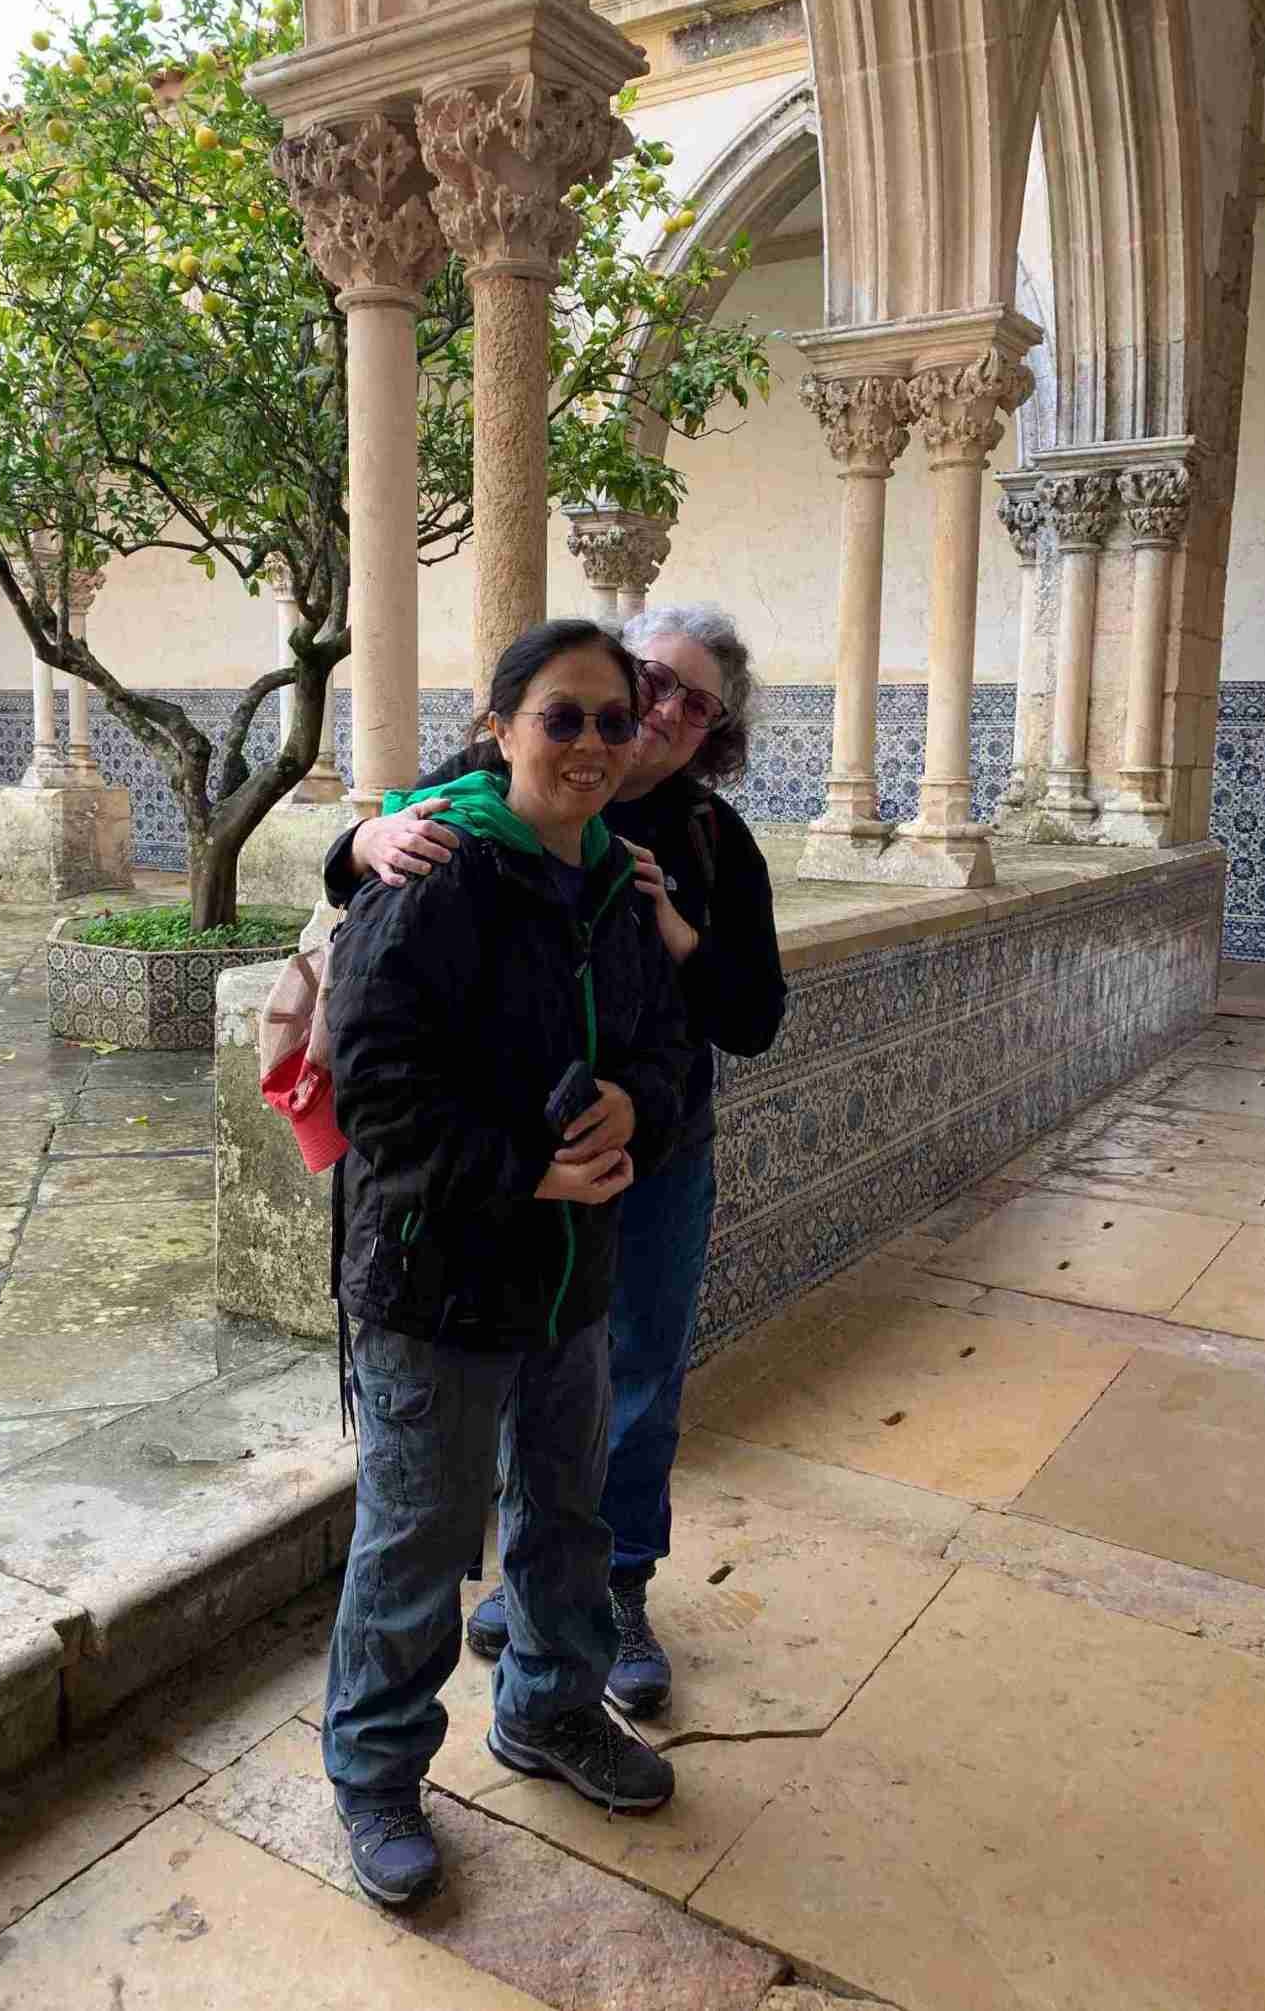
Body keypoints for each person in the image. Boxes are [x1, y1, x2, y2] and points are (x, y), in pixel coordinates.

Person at [327, 605, 786, 1719]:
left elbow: (741, 1016)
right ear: (514, 727)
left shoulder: (703, 840)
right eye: (643, 688)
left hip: (647, 1156)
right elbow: (378, 998)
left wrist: (672, 936)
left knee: (613, 1397)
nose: (646, 722)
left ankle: (600, 1611)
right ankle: (444, 1700)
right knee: (464, 1460)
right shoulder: (472, 812)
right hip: (484, 1190)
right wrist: (354, 842)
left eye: (683, 705)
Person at [322, 619, 694, 1909]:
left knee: (566, 1511)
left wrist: (638, 1111)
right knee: (419, 1537)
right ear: (500, 724)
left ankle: (546, 1708)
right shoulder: (433, 869)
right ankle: (374, 1776)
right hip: (437, 1275)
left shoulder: (613, 883)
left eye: (611, 720)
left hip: (566, 1277)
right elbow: (377, 1093)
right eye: (561, 716)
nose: (590, 744)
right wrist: (522, 1168)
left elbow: (663, 1047)